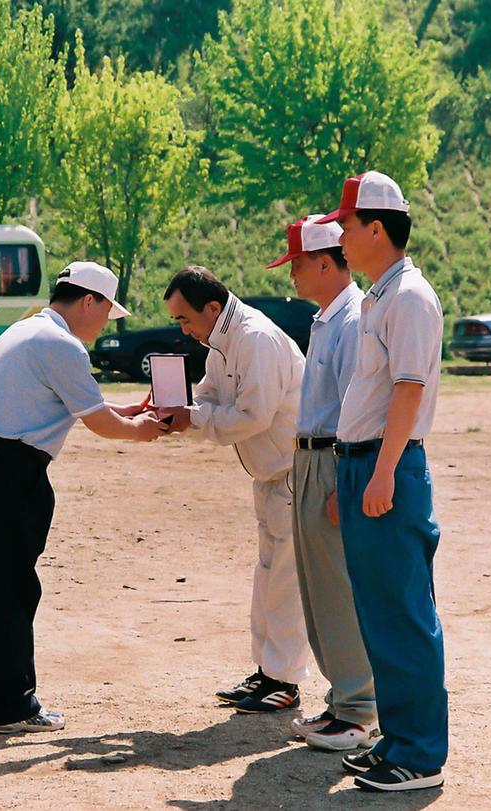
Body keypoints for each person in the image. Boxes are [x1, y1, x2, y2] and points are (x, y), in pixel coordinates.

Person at [0, 261, 168, 734]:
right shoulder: (62, 345)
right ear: (90, 300)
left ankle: (0, 702)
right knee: (12, 590)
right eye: (107, 311)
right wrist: (140, 429)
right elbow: (100, 423)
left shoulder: (27, 330)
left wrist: (125, 411)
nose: (105, 324)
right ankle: (13, 706)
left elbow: (74, 402)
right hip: (10, 472)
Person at [317, 171, 447, 791]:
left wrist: (384, 472)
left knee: (402, 612)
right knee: (378, 613)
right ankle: (397, 740)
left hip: (386, 463)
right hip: (364, 463)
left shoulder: (409, 296)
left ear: (376, 228)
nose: (339, 234)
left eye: (345, 224)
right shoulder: (379, 296)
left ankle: (419, 755)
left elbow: (409, 388)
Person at [157, 266, 310, 714]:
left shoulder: (256, 338)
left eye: (185, 319)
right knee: (268, 575)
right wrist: (176, 411)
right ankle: (266, 673)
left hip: (293, 469)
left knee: (285, 581)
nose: (184, 330)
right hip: (268, 472)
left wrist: (193, 419)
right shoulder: (221, 342)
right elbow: (208, 398)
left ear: (212, 307)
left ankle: (285, 681)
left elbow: (252, 415)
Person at [266, 216, 379, 751]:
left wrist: (344, 481)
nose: (292, 275)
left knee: (337, 588)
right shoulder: (326, 318)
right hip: (310, 458)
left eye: (297, 265)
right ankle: (342, 701)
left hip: (333, 458)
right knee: (317, 589)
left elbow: (358, 405)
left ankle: (360, 709)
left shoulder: (352, 318)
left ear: (325, 262)